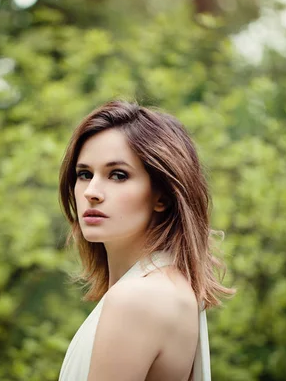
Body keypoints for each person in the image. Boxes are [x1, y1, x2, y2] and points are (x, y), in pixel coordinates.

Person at [58, 101, 235, 381]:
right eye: (84, 174)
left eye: (118, 175)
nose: (91, 192)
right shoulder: (166, 287)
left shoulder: (138, 298)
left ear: (161, 196)